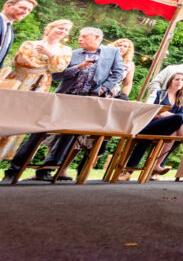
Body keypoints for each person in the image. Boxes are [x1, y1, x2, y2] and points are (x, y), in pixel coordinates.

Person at [5, 27, 124, 182]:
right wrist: (77, 68)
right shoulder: (72, 53)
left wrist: (103, 88)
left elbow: (118, 72)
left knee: (68, 136)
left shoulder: (112, 52)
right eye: (80, 36)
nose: (79, 39)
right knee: (39, 130)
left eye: (84, 36)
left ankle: (47, 170)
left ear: (96, 38)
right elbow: (56, 76)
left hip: (87, 100)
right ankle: (14, 169)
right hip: (63, 97)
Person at [0, 19, 72, 161]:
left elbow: (59, 68)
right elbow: (21, 61)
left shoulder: (65, 50)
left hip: (40, 86)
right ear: (50, 28)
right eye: (60, 28)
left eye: (66, 30)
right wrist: (47, 65)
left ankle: (2, 155)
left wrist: (50, 55)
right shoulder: (30, 44)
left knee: (22, 120)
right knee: (5, 114)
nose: (62, 31)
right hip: (19, 82)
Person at [121, 71, 183, 178]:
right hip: (152, 124)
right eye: (177, 79)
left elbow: (181, 115)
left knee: (175, 129)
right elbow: (150, 111)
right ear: (170, 81)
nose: (180, 82)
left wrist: (168, 115)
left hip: (167, 129)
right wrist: (162, 114)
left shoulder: (182, 98)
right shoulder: (160, 94)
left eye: (182, 80)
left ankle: (157, 165)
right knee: (178, 118)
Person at [0, 0, 37, 64]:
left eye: (29, 10)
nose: (25, 12)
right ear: (8, 6)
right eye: (22, 8)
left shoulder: (10, 31)